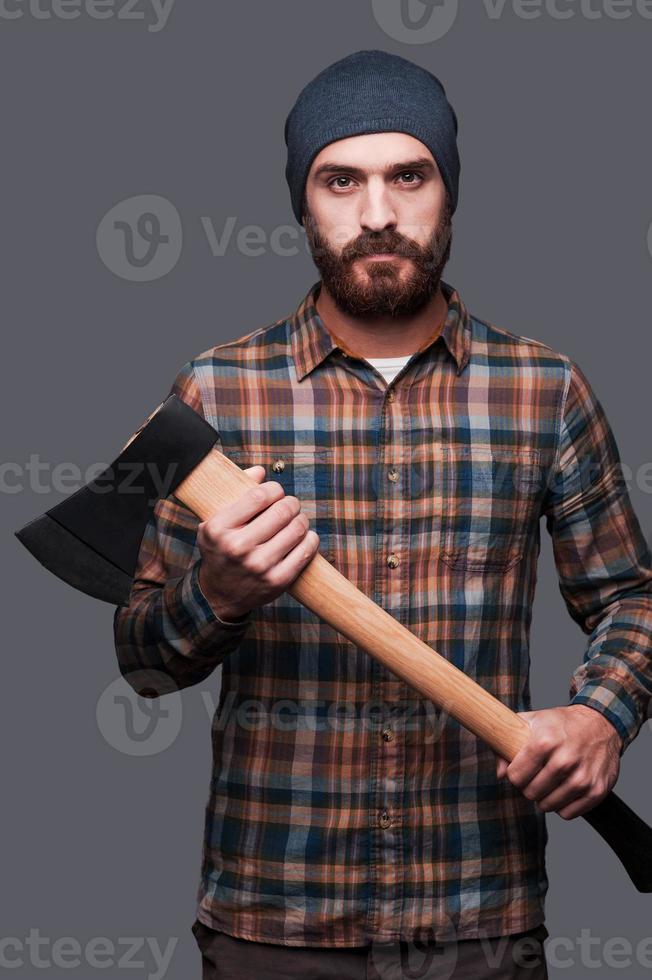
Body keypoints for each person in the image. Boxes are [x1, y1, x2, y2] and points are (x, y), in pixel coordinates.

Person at [113, 49, 652, 979]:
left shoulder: (544, 390)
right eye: (340, 180)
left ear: (448, 191)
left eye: (409, 175)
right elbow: (145, 661)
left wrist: (602, 716)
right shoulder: (218, 392)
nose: (376, 214)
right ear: (303, 201)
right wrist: (219, 591)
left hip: (480, 914)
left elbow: (633, 600)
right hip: (271, 922)